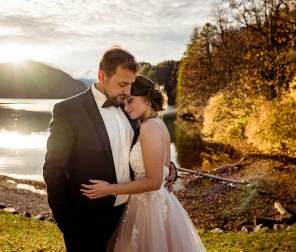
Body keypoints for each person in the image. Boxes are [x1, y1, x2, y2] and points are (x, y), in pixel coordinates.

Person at [43, 47, 177, 251]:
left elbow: (142, 150)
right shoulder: (68, 111)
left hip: (129, 215)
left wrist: (168, 168)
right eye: (123, 84)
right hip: (86, 221)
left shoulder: (128, 109)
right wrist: (67, 223)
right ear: (102, 76)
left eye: (131, 85)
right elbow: (53, 170)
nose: (127, 91)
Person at [81, 75, 207, 251]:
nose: (126, 107)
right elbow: (160, 163)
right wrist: (171, 169)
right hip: (157, 203)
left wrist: (109, 189)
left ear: (147, 98)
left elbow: (154, 182)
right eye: (124, 102)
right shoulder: (158, 123)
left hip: (148, 209)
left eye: (131, 100)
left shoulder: (148, 128)